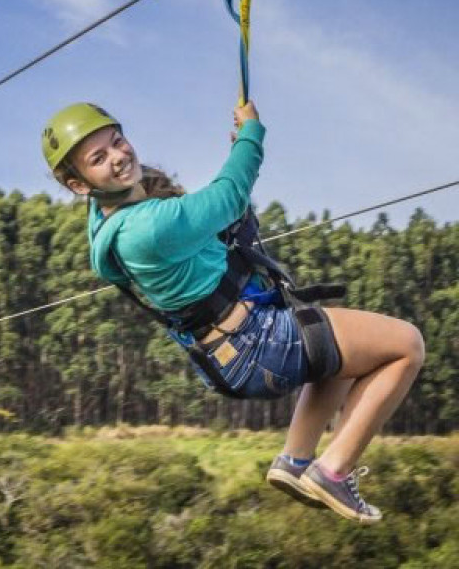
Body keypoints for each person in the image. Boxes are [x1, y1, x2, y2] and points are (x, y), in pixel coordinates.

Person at [41, 101, 424, 523]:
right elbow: (229, 195)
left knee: (340, 360)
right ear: (79, 185)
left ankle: (295, 460)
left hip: (229, 355)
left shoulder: (108, 218)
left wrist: (236, 148)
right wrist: (250, 136)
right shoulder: (147, 228)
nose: (118, 157)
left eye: (117, 142)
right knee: (407, 345)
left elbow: (203, 204)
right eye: (99, 159)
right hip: (259, 342)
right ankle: (334, 470)